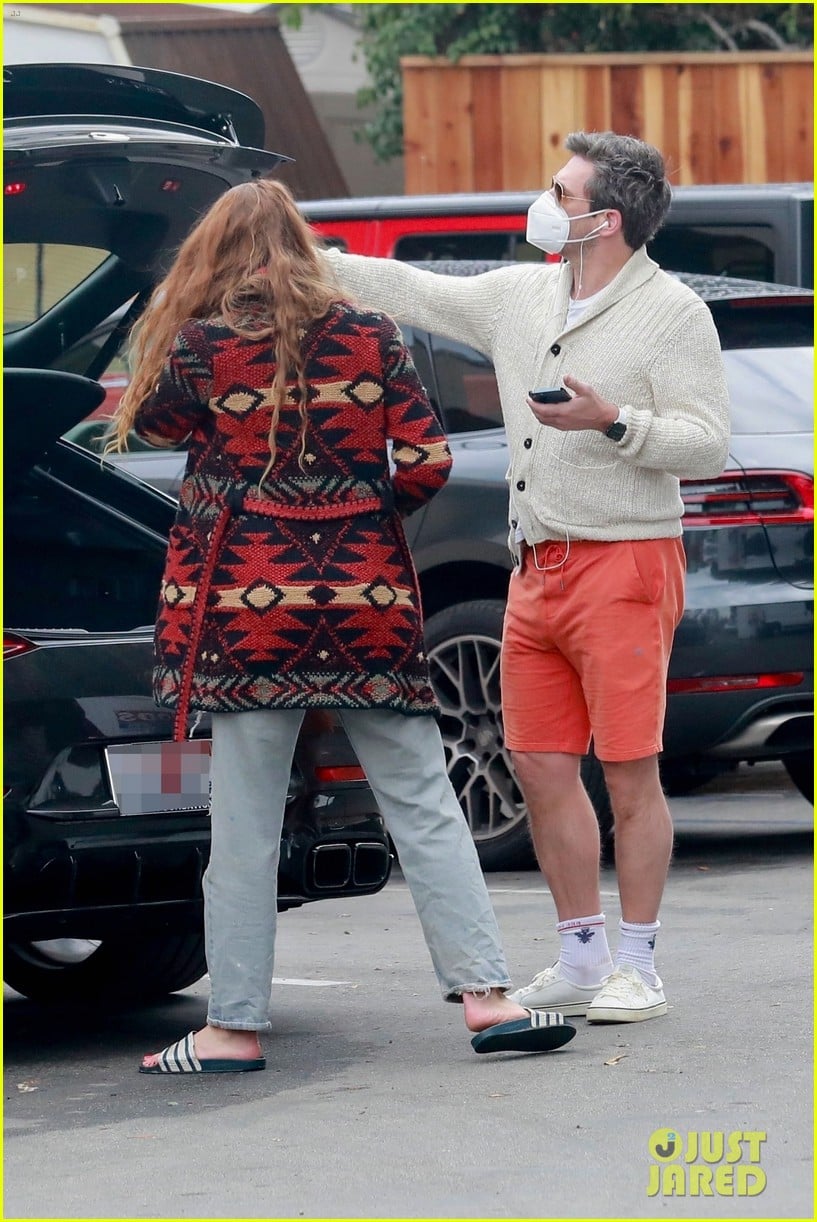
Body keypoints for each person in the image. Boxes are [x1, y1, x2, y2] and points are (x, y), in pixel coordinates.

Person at [106, 179, 575, 1073]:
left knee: (245, 826)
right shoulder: (372, 335)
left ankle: (232, 1029)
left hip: (249, 619)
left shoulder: (204, 347)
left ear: (215, 253)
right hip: (368, 610)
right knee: (425, 805)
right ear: (302, 245)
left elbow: (156, 428)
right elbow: (428, 459)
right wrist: (359, 516)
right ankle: (489, 1000)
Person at [323, 131, 731, 1024]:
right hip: (533, 568)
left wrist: (613, 420)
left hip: (624, 561)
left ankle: (639, 966)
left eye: (561, 192)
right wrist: (299, 251)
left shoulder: (671, 313)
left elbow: (705, 444)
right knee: (540, 767)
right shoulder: (521, 295)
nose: (543, 203)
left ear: (605, 220)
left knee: (629, 773)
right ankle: (581, 956)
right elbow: (410, 289)